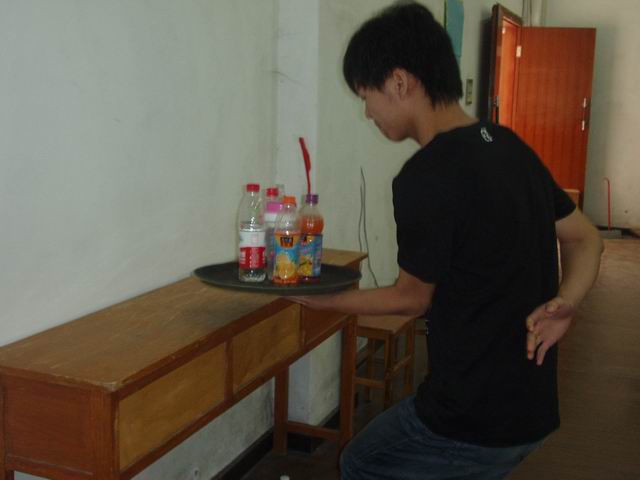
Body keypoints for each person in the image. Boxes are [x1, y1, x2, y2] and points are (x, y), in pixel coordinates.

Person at [293, 2, 604, 479]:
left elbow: (411, 298)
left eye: (366, 96)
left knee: (362, 462)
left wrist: (323, 300)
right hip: (532, 409)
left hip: (471, 421)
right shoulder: (507, 145)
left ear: (399, 82)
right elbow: (586, 238)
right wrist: (568, 302)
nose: (367, 113)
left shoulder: (425, 176)